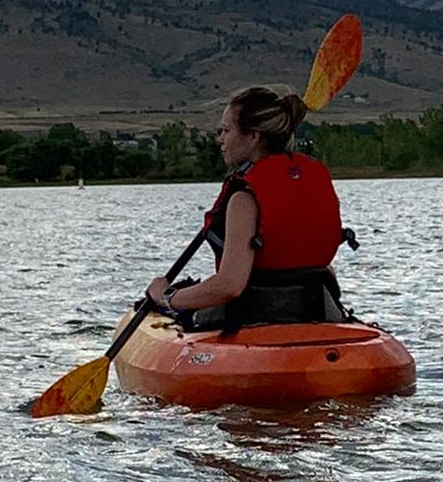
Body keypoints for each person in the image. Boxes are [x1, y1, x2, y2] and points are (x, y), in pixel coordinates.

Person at [146, 85, 353, 330]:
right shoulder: (312, 180)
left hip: (254, 316)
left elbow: (230, 285)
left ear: (253, 136)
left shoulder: (244, 199)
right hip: (318, 309)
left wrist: (167, 298)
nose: (220, 139)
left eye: (226, 131)